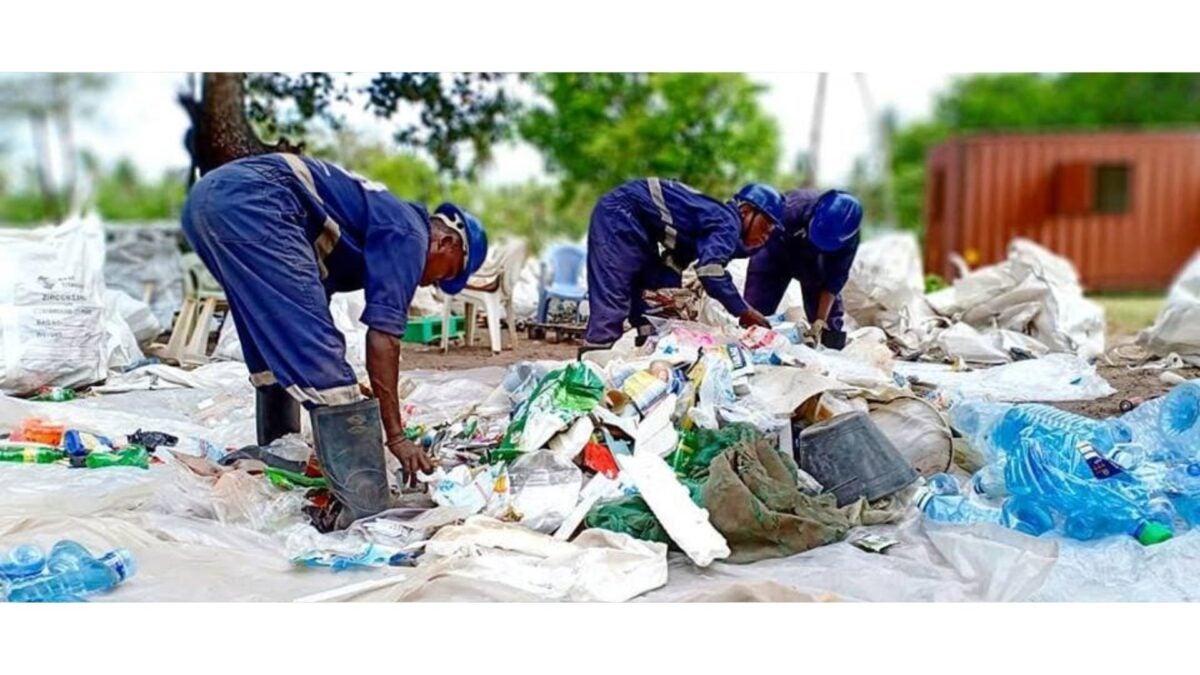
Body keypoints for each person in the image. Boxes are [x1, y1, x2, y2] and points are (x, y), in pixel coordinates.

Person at [181, 152, 487, 529]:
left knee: (272, 334)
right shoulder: (411, 232)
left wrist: (351, 387)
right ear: (446, 243)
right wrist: (396, 436)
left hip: (210, 199)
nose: (432, 284)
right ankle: (367, 502)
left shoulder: (377, 217)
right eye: (446, 274)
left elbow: (305, 306)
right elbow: (384, 337)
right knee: (323, 362)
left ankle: (280, 450)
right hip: (259, 198)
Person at [580, 178, 784, 352]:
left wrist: (671, 304)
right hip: (620, 214)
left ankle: (647, 345)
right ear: (746, 211)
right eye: (765, 226)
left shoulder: (713, 222)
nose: (765, 236)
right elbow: (711, 273)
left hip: (638, 223)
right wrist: (744, 311)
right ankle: (591, 367)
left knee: (652, 301)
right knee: (613, 294)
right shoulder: (727, 223)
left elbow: (674, 266)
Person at [743, 189, 863, 349]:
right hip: (775, 253)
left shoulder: (848, 239)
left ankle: (830, 360)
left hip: (816, 267)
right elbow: (758, 236)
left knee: (829, 331)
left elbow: (835, 278)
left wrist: (821, 319)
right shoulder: (791, 208)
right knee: (754, 316)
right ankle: (747, 349)